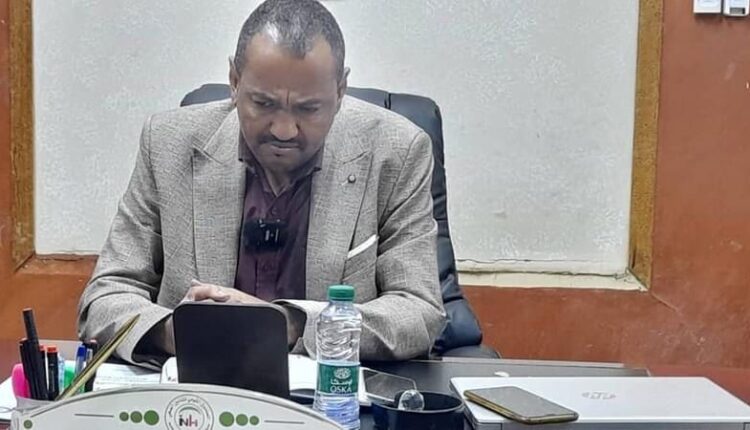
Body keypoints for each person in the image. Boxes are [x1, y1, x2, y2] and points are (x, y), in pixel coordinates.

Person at [77, 0, 445, 369]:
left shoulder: (396, 151)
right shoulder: (168, 143)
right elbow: (106, 296)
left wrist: (288, 324)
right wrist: (178, 331)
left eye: (308, 109)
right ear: (234, 82)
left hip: (328, 393)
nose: (284, 130)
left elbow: (418, 312)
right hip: (199, 389)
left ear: (340, 91)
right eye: (264, 104)